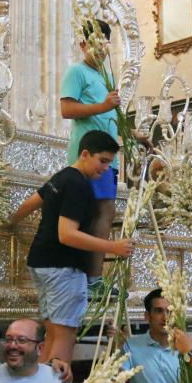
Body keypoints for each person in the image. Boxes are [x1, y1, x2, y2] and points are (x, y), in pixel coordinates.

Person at [9, 129, 134, 363]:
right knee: (65, 334)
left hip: (41, 263)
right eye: (103, 161)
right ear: (85, 154)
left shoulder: (63, 176)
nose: (106, 168)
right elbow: (67, 235)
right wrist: (113, 246)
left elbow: (33, 201)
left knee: (52, 334)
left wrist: (10, 220)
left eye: (109, 163)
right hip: (63, 267)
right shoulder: (79, 185)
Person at [60, 18, 120, 291]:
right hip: (88, 156)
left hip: (108, 158)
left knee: (104, 212)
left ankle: (93, 277)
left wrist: (134, 136)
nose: (101, 50)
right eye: (95, 45)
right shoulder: (77, 72)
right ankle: (91, 279)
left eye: (105, 45)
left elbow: (112, 115)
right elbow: (67, 110)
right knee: (92, 213)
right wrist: (102, 105)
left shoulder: (107, 77)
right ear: (83, 45)